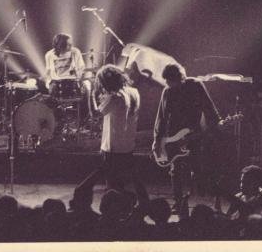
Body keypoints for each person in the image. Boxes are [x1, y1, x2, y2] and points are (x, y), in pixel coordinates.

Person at [75, 65, 148, 207]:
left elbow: (94, 114)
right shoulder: (134, 92)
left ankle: (83, 196)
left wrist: (90, 93)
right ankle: (143, 204)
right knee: (131, 180)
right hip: (127, 145)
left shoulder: (115, 97)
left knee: (112, 185)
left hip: (112, 147)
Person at [152, 63, 221, 212]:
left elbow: (209, 108)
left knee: (197, 168)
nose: (169, 85)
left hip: (193, 135)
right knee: (175, 170)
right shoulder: (167, 91)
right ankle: (178, 202)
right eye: (167, 82)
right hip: (173, 137)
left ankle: (203, 200)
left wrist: (217, 122)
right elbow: (161, 117)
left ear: (180, 78)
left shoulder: (196, 86)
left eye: (171, 81)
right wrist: (157, 140)